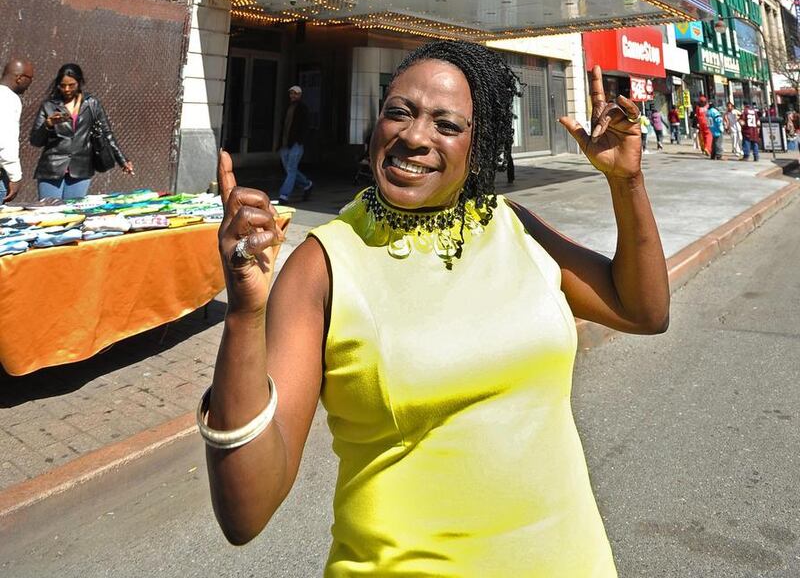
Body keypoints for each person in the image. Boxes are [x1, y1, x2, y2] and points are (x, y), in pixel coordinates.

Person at [202, 46, 669, 575]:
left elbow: (642, 311)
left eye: (446, 123)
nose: (415, 136)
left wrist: (625, 181)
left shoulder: (513, 226)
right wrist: (244, 315)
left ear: (480, 145)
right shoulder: (324, 264)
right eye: (399, 112)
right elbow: (246, 513)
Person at [30, 62, 133, 200]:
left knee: (73, 212)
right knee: (50, 213)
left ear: (79, 83)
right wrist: (48, 124)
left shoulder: (91, 104)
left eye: (71, 85)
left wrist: (122, 160)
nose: (66, 89)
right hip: (52, 168)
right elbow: (35, 140)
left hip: (80, 168)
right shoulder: (49, 105)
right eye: (62, 85)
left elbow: (107, 134)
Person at [0, 57, 34, 204]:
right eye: (30, 79)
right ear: (19, 78)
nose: (30, 84)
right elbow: (5, 140)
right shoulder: (9, 99)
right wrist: (15, 176)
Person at [277, 84, 312, 204]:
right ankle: (307, 184)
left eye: (295, 93)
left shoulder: (303, 108)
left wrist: (300, 141)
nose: (293, 95)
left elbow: (305, 126)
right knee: (290, 170)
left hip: (296, 144)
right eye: (291, 93)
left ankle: (284, 195)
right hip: (285, 144)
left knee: (291, 169)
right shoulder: (287, 107)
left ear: (300, 95)